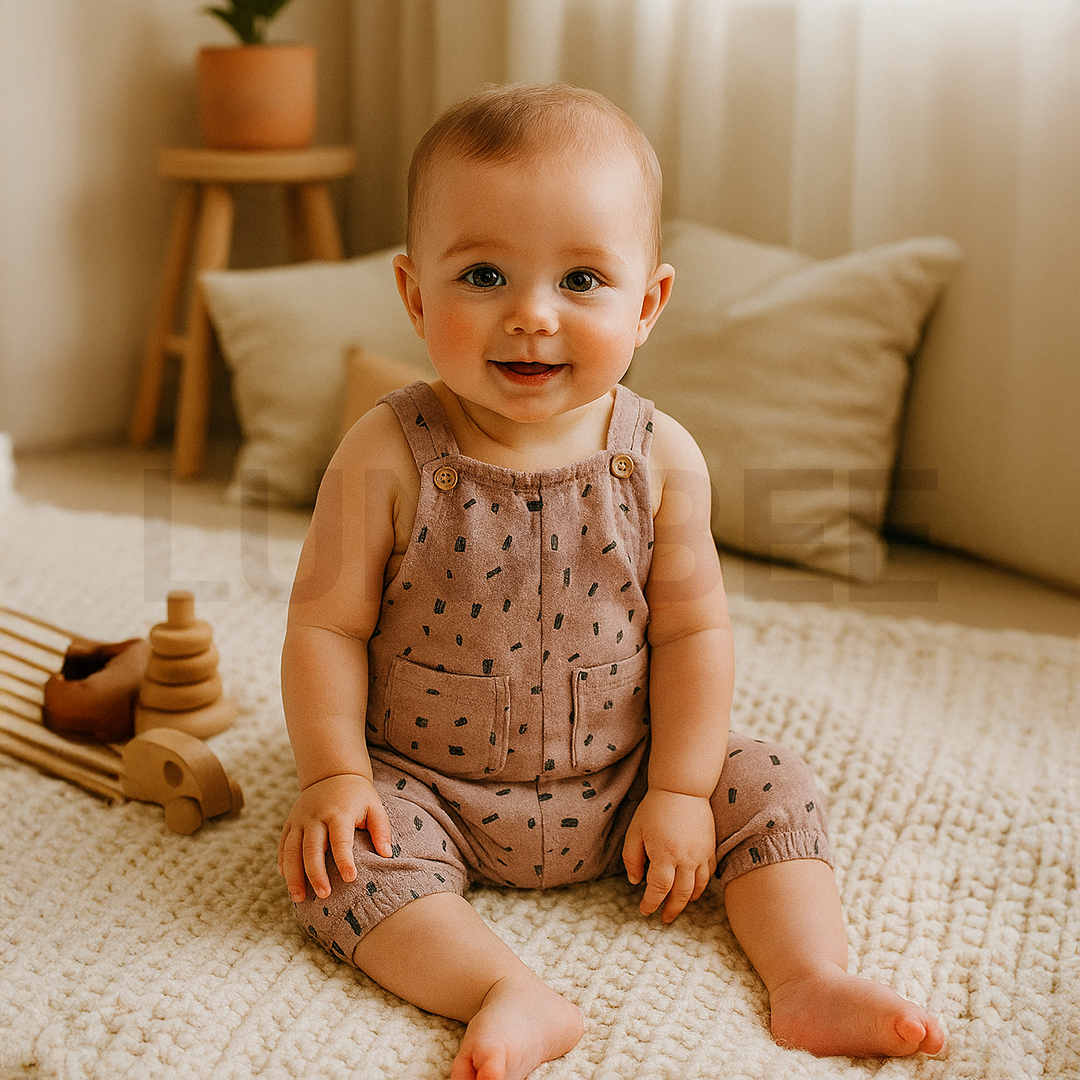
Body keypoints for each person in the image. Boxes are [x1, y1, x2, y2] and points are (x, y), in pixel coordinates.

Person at [278, 83, 945, 1080]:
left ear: (649, 303)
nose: (533, 315)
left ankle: (809, 978)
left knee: (769, 782)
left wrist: (679, 788)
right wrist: (334, 777)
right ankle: (500, 989)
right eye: (485, 274)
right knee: (333, 863)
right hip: (431, 785)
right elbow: (325, 628)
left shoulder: (661, 456)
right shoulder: (387, 453)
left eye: (582, 278)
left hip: (630, 780)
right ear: (416, 296)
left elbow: (692, 636)